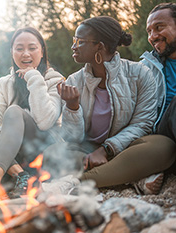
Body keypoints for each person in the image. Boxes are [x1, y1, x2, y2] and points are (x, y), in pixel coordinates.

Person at [45, 16, 176, 195]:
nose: (73, 46)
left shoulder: (139, 73)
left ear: (100, 46)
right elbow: (72, 138)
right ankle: (132, 176)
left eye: (79, 41)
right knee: (52, 153)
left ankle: (75, 182)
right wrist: (72, 106)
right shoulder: (74, 81)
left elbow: (143, 124)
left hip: (127, 148)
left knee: (164, 146)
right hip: (86, 152)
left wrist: (106, 149)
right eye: (74, 40)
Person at [0, 27, 65, 209]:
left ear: (42, 51)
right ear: (12, 52)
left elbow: (46, 121)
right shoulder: (5, 83)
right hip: (14, 160)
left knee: (14, 111)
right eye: (19, 48)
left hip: (45, 156)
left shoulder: (55, 80)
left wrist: (33, 77)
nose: (25, 53)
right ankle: (20, 176)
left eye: (32, 48)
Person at [141, 3, 176, 146]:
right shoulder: (145, 69)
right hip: (162, 135)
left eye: (159, 27)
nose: (153, 36)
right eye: (149, 31)